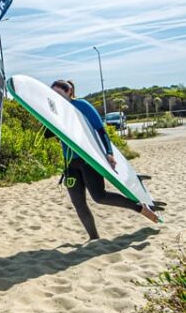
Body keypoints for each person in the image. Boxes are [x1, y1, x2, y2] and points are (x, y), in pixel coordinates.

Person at [50, 79, 160, 240]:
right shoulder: (56, 109)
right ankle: (94, 238)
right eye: (52, 92)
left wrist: (109, 153)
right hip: (70, 163)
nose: (54, 96)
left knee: (99, 197)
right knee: (78, 203)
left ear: (69, 92)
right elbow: (51, 133)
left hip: (88, 159)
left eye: (58, 93)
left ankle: (140, 208)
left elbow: (101, 130)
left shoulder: (82, 106)